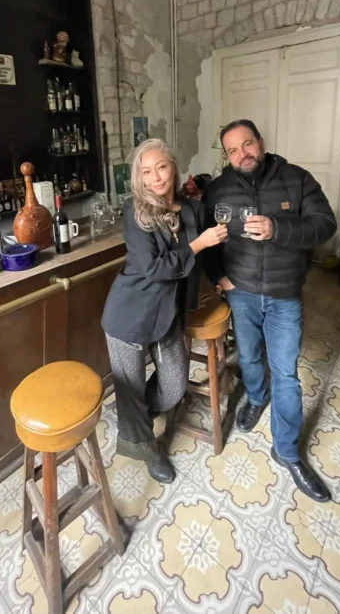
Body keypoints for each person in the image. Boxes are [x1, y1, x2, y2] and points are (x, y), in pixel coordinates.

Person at [204, 119, 337, 502]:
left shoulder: (296, 178)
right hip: (241, 292)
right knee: (248, 357)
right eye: (232, 150)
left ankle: (287, 451)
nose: (242, 154)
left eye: (247, 144)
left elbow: (325, 224)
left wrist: (278, 228)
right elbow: (207, 240)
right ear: (226, 156)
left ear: (260, 142)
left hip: (284, 294)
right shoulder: (218, 189)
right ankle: (256, 398)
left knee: (286, 373)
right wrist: (219, 276)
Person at [102, 138, 227, 484]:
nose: (155, 177)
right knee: (129, 388)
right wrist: (197, 244)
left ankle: (133, 413)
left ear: (174, 167)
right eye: (146, 171)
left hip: (168, 313)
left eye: (161, 167)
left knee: (174, 385)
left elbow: (200, 261)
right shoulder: (135, 214)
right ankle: (145, 447)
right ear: (139, 177)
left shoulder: (190, 210)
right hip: (129, 314)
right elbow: (153, 268)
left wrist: (205, 290)